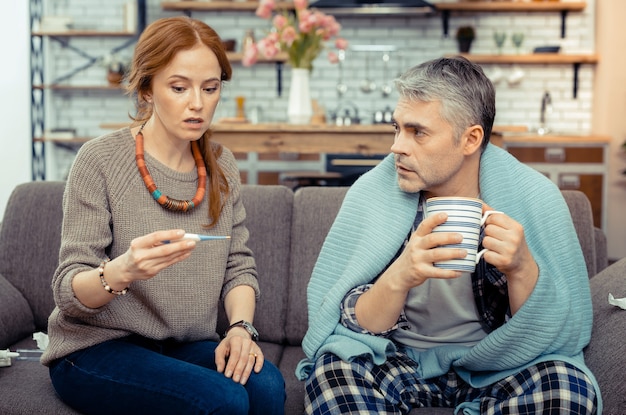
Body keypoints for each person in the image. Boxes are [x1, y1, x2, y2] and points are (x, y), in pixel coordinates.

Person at [298, 56, 601, 414]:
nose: (397, 146)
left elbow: (551, 333)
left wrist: (521, 269)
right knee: (332, 373)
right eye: (396, 129)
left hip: (496, 365)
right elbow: (352, 323)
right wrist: (400, 276)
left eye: (417, 132)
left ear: (470, 139)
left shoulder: (534, 197)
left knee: (569, 389)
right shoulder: (373, 193)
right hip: (398, 361)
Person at [41, 16, 285, 415]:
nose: (198, 103)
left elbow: (239, 267)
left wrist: (241, 328)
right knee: (222, 399)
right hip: (95, 347)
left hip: (182, 345)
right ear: (147, 88)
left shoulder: (221, 166)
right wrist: (123, 270)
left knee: (268, 388)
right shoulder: (100, 160)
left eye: (210, 88)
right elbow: (69, 292)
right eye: (179, 87)